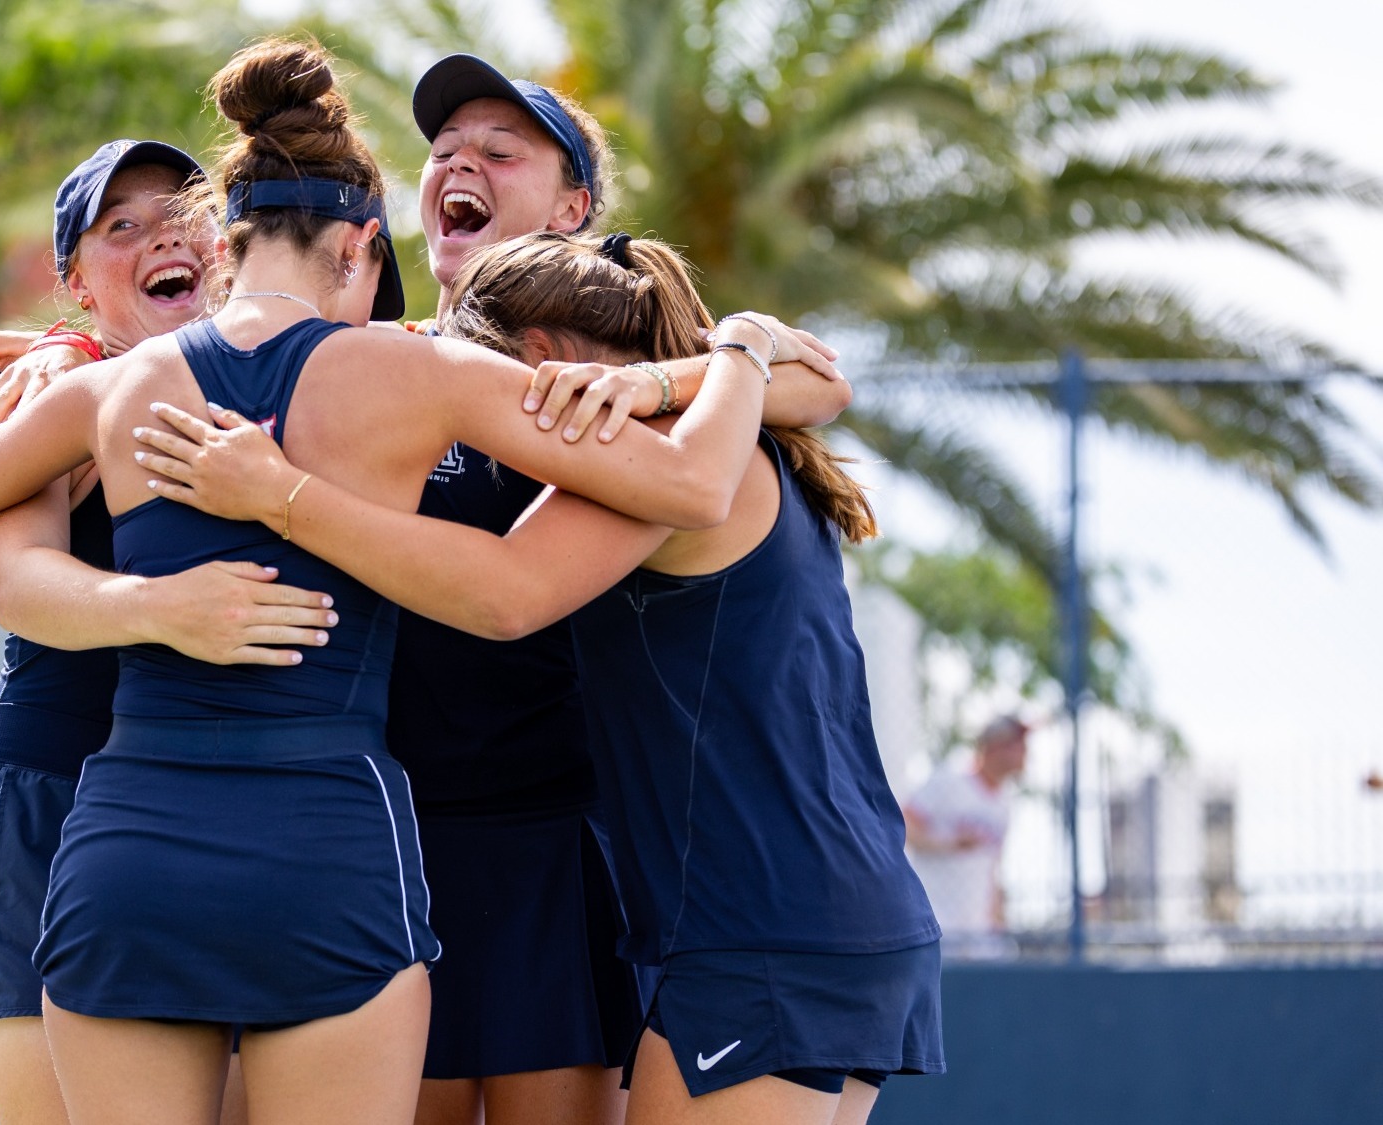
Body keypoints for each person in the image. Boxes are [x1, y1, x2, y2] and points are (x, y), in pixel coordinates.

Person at [0, 37, 819, 1124]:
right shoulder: (422, 370)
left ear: (224, 246)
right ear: (363, 246)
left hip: (129, 849)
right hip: (328, 845)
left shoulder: (112, 388)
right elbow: (691, 484)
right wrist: (738, 355)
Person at [133, 230, 944, 1125]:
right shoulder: (733, 431)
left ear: (541, 360)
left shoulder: (657, 457)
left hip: (760, 932)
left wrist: (277, 496)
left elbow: (505, 594)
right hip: (830, 916)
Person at [389, 54, 850, 1125]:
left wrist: (663, 374)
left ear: (572, 208)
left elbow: (814, 375)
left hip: (565, 844)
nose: (459, 164)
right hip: (395, 838)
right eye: (443, 151)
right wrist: (53, 349)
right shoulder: (379, 360)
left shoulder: (610, 360)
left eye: (499, 152)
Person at [0, 138, 337, 1125]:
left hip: (220, 808)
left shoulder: (282, 380)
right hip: (51, 802)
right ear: (77, 285)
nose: (159, 239)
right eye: (120, 227)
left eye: (180, 216)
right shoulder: (55, 392)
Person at [903, 715, 1031, 959]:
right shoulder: (948, 782)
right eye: (1016, 744)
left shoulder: (1004, 803)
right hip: (937, 916)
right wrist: (948, 844)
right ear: (994, 747)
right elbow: (903, 824)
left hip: (979, 927)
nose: (1024, 752)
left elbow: (993, 867)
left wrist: (997, 916)